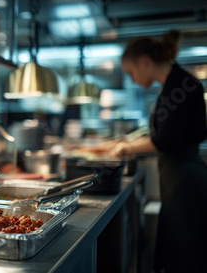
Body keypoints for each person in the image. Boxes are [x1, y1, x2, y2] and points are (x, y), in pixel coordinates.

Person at [86, 30, 207, 272]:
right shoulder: (173, 82)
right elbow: (160, 134)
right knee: (177, 246)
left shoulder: (178, 86)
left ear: (144, 61)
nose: (131, 80)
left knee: (184, 252)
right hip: (179, 174)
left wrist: (126, 147)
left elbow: (165, 141)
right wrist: (121, 143)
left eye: (131, 73)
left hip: (186, 179)